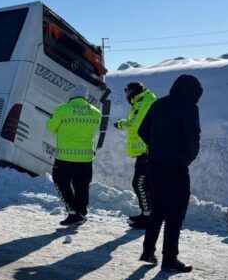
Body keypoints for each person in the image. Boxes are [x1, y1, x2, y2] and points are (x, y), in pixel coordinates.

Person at [138, 74, 202, 273]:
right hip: (176, 167)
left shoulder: (159, 104)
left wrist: (155, 147)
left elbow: (142, 130)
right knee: (175, 213)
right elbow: (193, 137)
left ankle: (148, 251)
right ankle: (169, 260)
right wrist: (187, 157)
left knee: (158, 207)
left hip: (154, 164)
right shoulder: (189, 107)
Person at [46, 84, 102, 226]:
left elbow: (50, 127)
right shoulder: (96, 112)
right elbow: (94, 130)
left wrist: (63, 132)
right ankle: (81, 212)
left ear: (71, 96)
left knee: (60, 181)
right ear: (86, 97)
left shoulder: (62, 109)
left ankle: (73, 212)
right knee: (82, 186)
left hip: (65, 156)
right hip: (86, 157)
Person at [114, 82, 157, 229]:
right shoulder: (142, 100)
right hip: (146, 149)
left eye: (127, 90)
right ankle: (149, 214)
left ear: (133, 91)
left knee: (139, 183)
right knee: (145, 184)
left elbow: (135, 123)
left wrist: (121, 124)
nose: (126, 93)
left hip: (146, 150)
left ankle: (148, 215)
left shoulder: (144, 102)